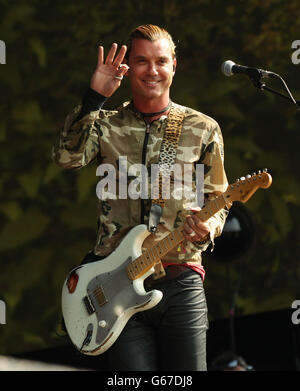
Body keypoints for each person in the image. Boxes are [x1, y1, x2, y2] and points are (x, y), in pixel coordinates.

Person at [52, 24, 229, 371]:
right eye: (142, 61)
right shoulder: (105, 124)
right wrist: (94, 98)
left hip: (181, 278)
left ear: (174, 65)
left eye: (161, 61)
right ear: (128, 67)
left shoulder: (202, 127)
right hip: (115, 283)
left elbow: (219, 197)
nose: (152, 70)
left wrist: (210, 224)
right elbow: (66, 157)